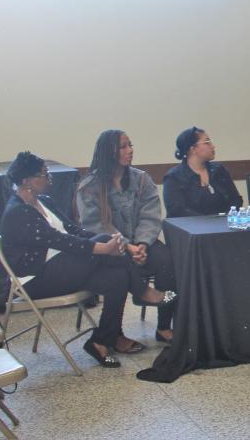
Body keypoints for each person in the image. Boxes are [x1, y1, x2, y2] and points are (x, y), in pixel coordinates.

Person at [0, 152, 171, 368]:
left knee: (117, 278)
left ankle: (100, 341)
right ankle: (144, 291)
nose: (49, 177)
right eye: (44, 174)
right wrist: (104, 247)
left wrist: (112, 244)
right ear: (26, 181)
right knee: (105, 242)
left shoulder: (45, 202)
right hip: (36, 279)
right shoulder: (18, 212)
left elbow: (73, 231)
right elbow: (60, 241)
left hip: (63, 267)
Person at [78, 130, 177, 344]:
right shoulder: (90, 187)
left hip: (142, 243)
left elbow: (150, 215)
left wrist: (141, 243)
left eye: (130, 145)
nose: (130, 150)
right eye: (123, 147)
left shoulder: (141, 179)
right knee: (119, 271)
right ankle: (117, 333)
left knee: (167, 259)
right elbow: (96, 226)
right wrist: (127, 246)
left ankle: (163, 327)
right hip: (111, 249)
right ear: (108, 152)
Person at [163, 127, 242, 218]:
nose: (213, 146)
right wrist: (208, 223)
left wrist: (226, 218)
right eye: (207, 143)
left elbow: (235, 200)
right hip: (190, 229)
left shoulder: (219, 170)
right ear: (193, 149)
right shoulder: (174, 177)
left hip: (224, 226)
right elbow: (177, 211)